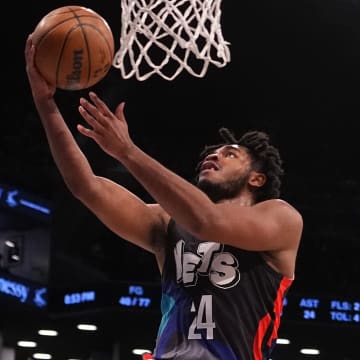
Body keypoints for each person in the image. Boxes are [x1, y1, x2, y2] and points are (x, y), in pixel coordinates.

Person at [25, 33, 303, 360]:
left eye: (229, 154)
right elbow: (86, 186)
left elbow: (207, 221)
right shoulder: (167, 223)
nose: (212, 156)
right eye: (210, 154)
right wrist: (46, 104)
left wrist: (128, 152)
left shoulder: (281, 218)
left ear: (257, 178)